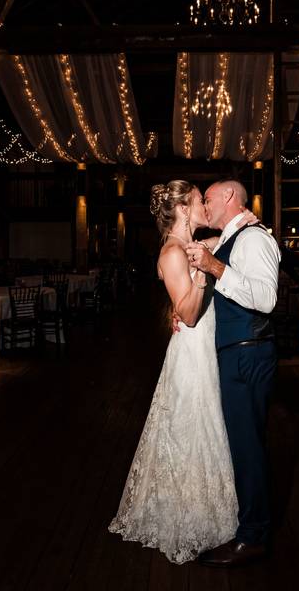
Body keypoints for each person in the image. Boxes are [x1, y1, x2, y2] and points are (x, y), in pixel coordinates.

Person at [109, 180, 257, 564]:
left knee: (209, 427)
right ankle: (189, 516)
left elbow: (215, 245)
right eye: (197, 201)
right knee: (194, 428)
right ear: (182, 209)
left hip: (206, 347)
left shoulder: (188, 246)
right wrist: (204, 273)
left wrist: (238, 225)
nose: (204, 207)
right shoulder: (173, 253)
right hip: (192, 350)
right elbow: (188, 314)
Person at [185, 179, 280, 567]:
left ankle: (253, 537)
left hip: (249, 354)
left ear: (228, 197)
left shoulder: (254, 239)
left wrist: (214, 267)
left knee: (248, 447)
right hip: (238, 352)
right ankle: (249, 526)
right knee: (242, 444)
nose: (205, 204)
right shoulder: (235, 235)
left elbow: (266, 298)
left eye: (207, 197)